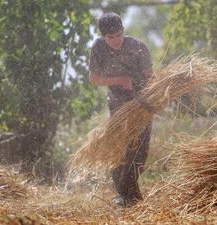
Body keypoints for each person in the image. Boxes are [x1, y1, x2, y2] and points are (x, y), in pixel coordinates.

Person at [88, 12, 153, 207]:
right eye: (111, 37)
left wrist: (154, 96)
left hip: (142, 104)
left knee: (140, 150)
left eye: (119, 35)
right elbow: (94, 78)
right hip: (117, 105)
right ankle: (125, 195)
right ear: (103, 37)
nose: (116, 41)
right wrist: (119, 80)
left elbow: (150, 76)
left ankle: (130, 195)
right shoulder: (98, 48)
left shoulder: (138, 47)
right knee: (120, 148)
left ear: (123, 31)